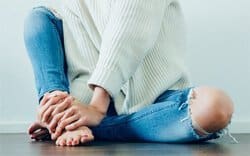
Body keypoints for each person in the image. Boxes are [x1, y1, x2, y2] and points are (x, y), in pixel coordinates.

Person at [24, 0, 234, 146]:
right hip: (93, 102)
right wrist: (69, 110)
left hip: (156, 100)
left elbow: (127, 32)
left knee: (216, 107)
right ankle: (57, 113)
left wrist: (97, 108)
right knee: (39, 18)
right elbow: (84, 63)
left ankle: (95, 128)